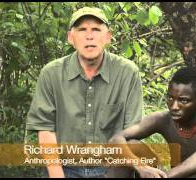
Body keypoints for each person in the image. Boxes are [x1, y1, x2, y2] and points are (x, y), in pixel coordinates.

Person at [25, 7, 143, 178]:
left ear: (108, 37)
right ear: (70, 38)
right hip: (65, 168)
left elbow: (132, 133)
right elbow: (45, 129)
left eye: (96, 29)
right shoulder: (51, 73)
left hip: (112, 169)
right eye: (82, 30)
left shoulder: (127, 72)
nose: (89, 36)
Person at [109, 67, 196, 178]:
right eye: (170, 98)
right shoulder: (162, 119)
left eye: (183, 100)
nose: (174, 106)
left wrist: (165, 176)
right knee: (131, 145)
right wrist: (142, 168)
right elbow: (115, 139)